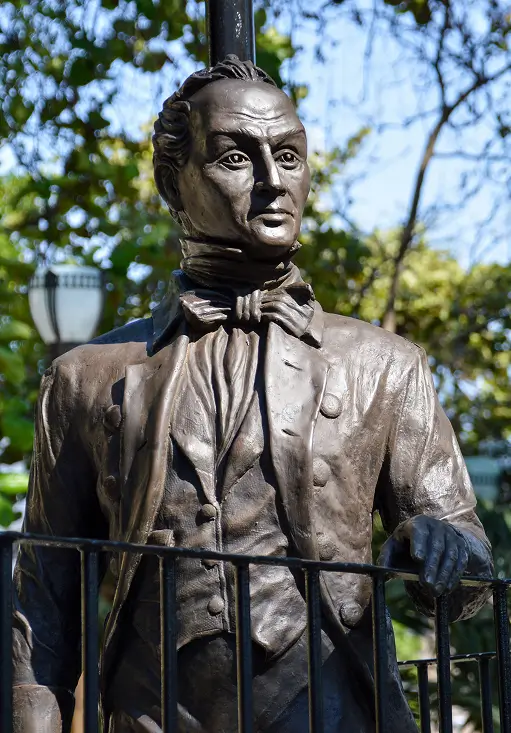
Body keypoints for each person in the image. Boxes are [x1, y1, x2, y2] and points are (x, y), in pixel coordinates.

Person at [12, 56, 493, 733]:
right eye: (236, 158)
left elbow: (470, 564)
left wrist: (440, 547)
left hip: (331, 715)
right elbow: (42, 606)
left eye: (289, 156)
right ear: (173, 182)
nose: (273, 181)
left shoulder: (384, 365)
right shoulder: (84, 378)